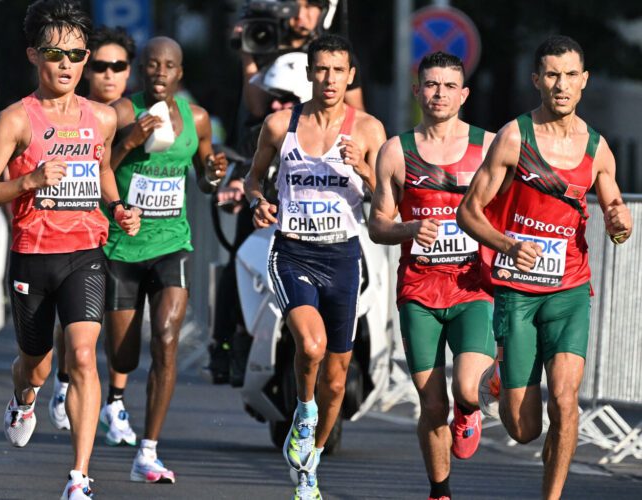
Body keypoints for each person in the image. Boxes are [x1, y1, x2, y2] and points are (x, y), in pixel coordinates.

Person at [0, 1, 141, 497]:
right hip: (33, 254)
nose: (67, 64)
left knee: (84, 356)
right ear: (33, 55)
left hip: (85, 251)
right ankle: (23, 396)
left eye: (77, 54)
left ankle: (80, 478)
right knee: (37, 362)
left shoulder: (103, 118)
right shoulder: (14, 120)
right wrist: (29, 180)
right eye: (55, 53)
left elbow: (103, 168)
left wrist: (117, 206)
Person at [457, 35, 633, 500]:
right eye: (551, 74)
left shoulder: (598, 149)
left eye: (570, 75)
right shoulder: (514, 137)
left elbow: (616, 219)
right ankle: (495, 378)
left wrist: (620, 223)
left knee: (565, 400)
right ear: (537, 80)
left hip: (570, 291)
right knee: (523, 428)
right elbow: (469, 213)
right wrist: (508, 245)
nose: (561, 84)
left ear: (584, 81)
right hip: (517, 292)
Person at [245, 34, 385, 499]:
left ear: (351, 76)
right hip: (293, 251)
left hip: (343, 255)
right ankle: (302, 413)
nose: (328, 79)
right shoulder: (280, 125)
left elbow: (389, 199)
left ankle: (311, 463)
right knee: (310, 344)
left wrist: (364, 169)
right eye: (320, 69)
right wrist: (258, 202)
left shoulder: (368, 129)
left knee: (339, 376)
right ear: (309, 73)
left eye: (337, 71)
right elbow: (253, 180)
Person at [368, 51, 495, 500]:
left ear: (463, 94)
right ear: (416, 90)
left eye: (448, 86)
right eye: (430, 84)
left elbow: (514, 209)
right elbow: (377, 223)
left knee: (464, 387)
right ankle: (440, 492)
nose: (438, 93)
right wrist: (407, 227)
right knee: (431, 404)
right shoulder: (395, 151)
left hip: (472, 286)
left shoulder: (490, 146)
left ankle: (470, 408)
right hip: (419, 290)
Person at [103, 36, 227, 483]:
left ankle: (148, 451)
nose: (159, 72)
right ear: (142, 70)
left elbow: (208, 176)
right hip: (122, 245)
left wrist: (213, 174)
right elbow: (102, 168)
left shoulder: (196, 118)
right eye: (152, 65)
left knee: (168, 337)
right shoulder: (119, 112)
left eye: (168, 66)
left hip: (172, 243)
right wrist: (128, 143)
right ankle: (113, 401)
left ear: (179, 73)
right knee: (124, 356)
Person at [48, 26, 136, 437]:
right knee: (74, 325)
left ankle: (114, 402)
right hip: (73, 237)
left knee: (114, 328)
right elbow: (105, 166)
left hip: (123, 237)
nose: (107, 74)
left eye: (117, 66)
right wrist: (130, 144)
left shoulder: (133, 111)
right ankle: (62, 383)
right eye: (99, 65)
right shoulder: (69, 113)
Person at [207, 51, 312, 385]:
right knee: (240, 260)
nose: (279, 107)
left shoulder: (335, 137)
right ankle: (231, 341)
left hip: (323, 244)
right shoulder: (263, 131)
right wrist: (236, 189)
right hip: (270, 233)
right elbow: (243, 168)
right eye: (275, 100)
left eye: (289, 100)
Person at [238, 0, 364, 119]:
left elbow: (357, 114)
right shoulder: (265, 48)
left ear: (325, 10)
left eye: (309, 6)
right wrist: (247, 50)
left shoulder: (337, 55)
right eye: (293, 6)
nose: (300, 15)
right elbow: (257, 109)